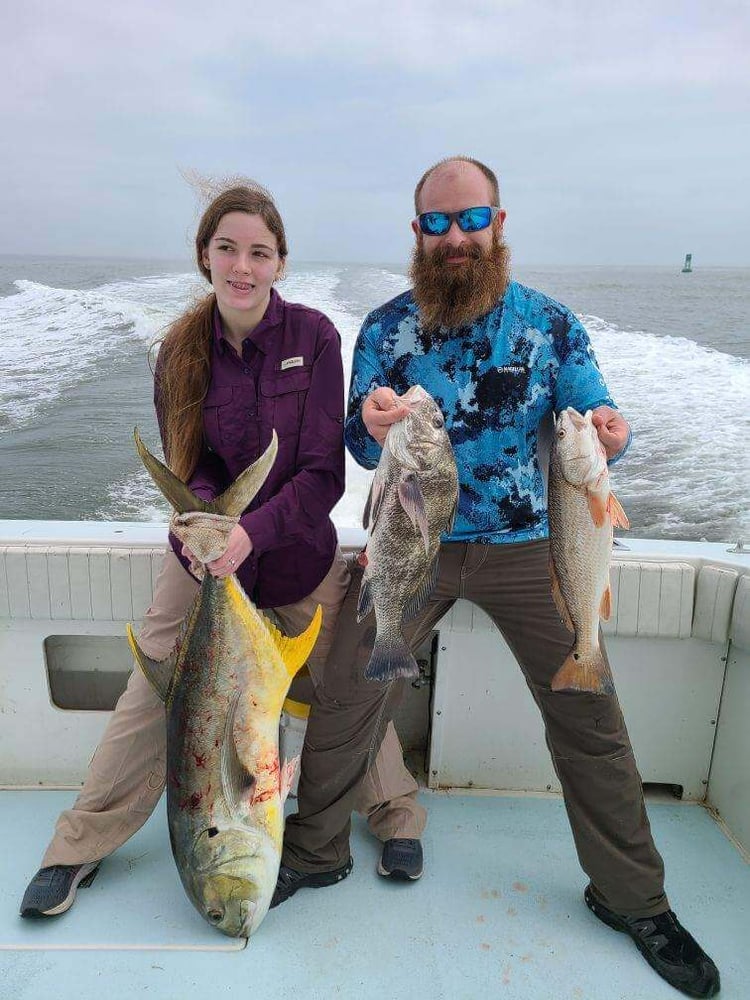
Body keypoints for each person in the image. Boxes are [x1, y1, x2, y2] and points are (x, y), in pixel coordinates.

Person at [273, 158, 720, 999]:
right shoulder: (385, 330)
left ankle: (633, 899)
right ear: (416, 235)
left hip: (527, 548)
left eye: (469, 220)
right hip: (413, 544)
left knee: (589, 711)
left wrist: (614, 433)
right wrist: (367, 427)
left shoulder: (550, 326)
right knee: (346, 690)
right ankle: (314, 854)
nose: (454, 238)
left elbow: (595, 418)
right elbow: (363, 446)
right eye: (436, 224)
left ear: (499, 223)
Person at [19, 181, 422, 920]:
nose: (243, 266)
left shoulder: (315, 340)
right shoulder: (178, 349)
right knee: (156, 691)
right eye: (228, 249)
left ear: (281, 263)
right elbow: (189, 461)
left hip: (294, 552)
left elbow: (322, 474)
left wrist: (250, 532)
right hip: (205, 557)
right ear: (204, 256)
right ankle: (75, 847)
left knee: (340, 682)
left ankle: (395, 812)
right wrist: (209, 527)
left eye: (259, 253)